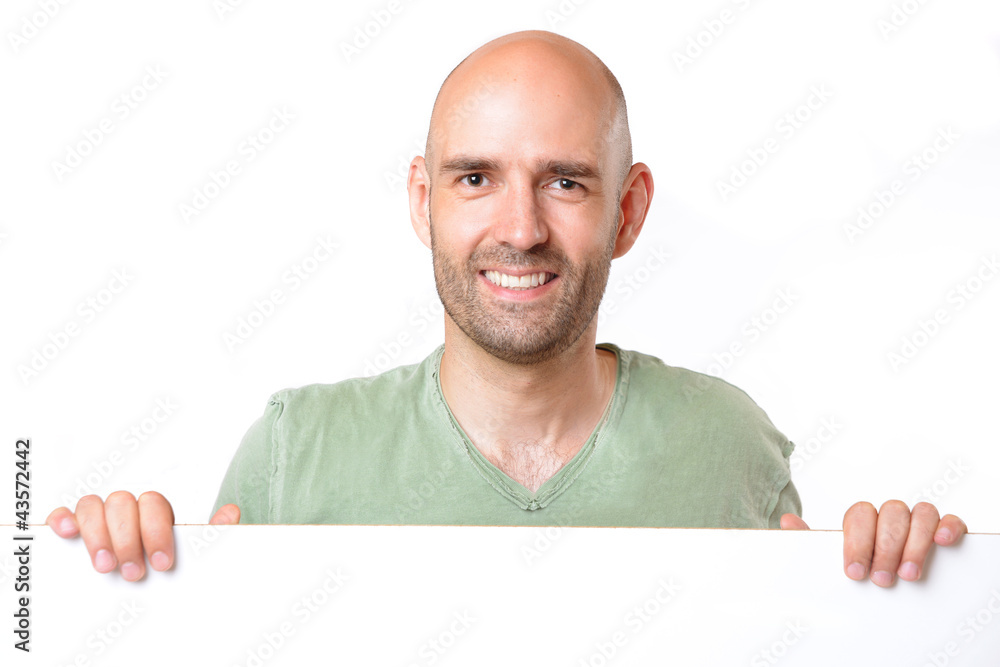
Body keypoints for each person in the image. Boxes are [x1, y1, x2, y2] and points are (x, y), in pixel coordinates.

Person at [46, 30, 966, 588]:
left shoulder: (726, 443)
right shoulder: (299, 451)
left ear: (629, 211)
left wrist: (901, 595)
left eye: (565, 181)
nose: (520, 229)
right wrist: (117, 590)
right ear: (423, 202)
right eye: (476, 178)